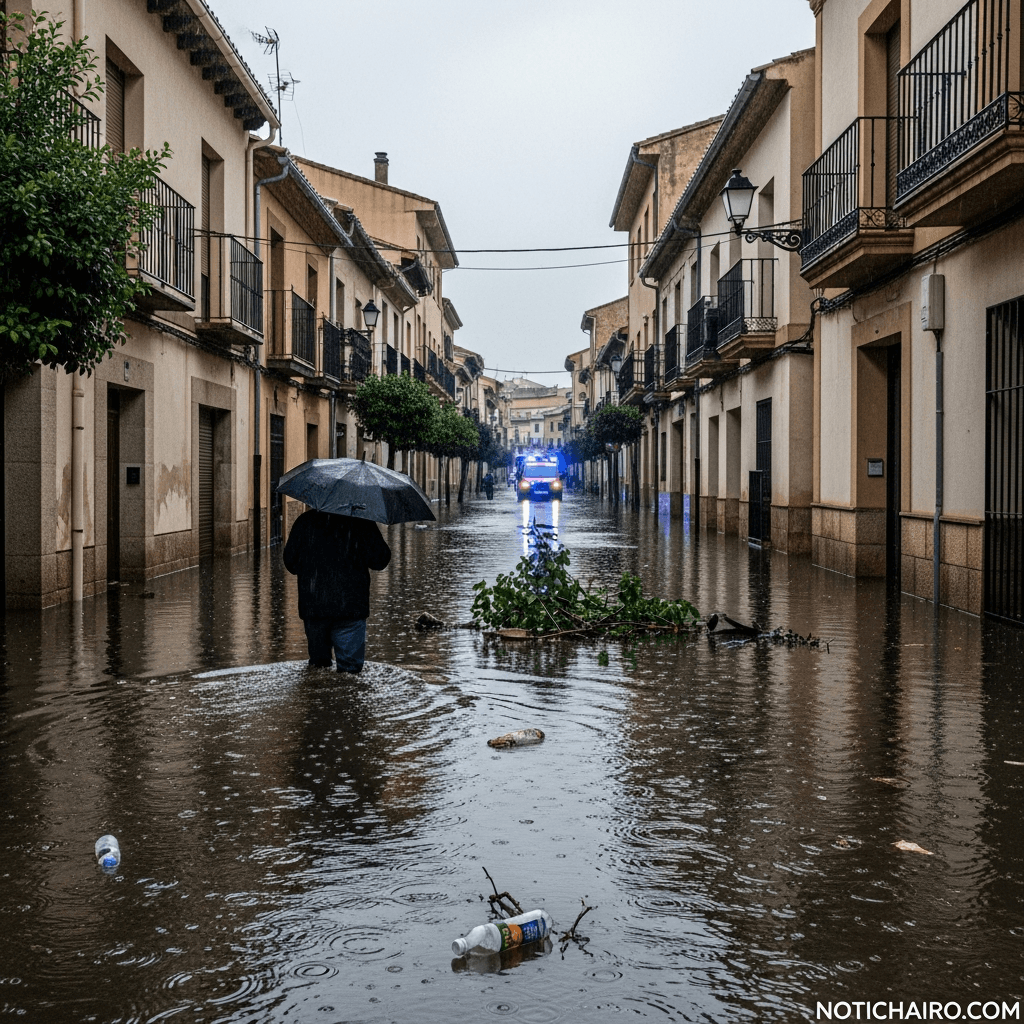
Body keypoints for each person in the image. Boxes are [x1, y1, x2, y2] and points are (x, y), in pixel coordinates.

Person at [283, 510, 391, 673]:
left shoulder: (305, 521)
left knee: (318, 669)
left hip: (314, 607)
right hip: (350, 607)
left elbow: (290, 562)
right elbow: (380, 560)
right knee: (350, 673)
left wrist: (313, 566)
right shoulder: (362, 522)